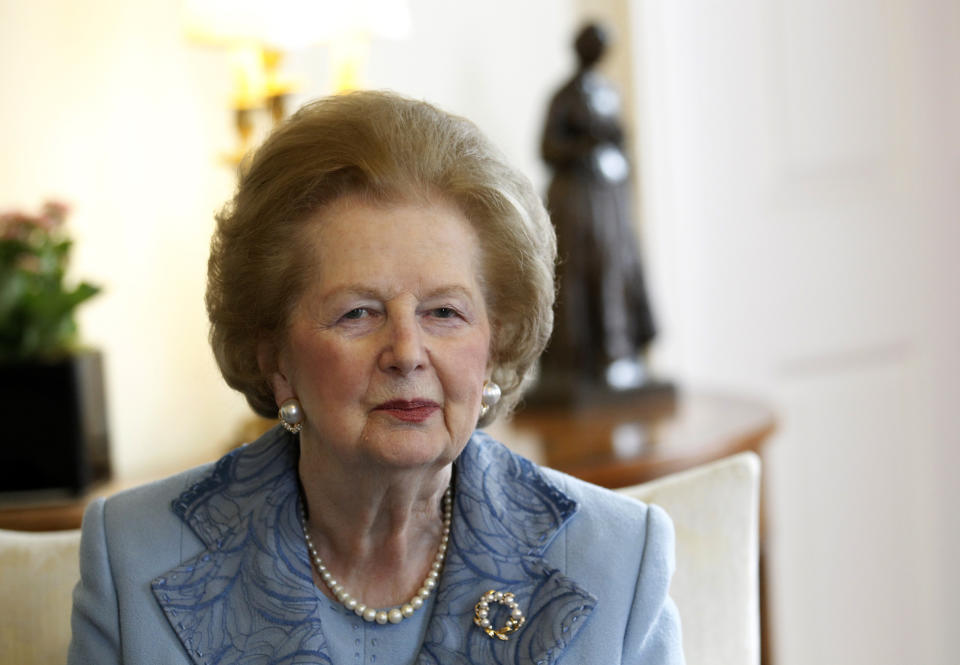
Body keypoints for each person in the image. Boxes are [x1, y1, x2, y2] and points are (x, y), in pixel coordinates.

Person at [68, 90, 684, 664]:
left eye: (445, 312)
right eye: (357, 312)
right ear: (276, 358)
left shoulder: (618, 558)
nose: (407, 352)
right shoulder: (134, 555)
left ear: (494, 345)